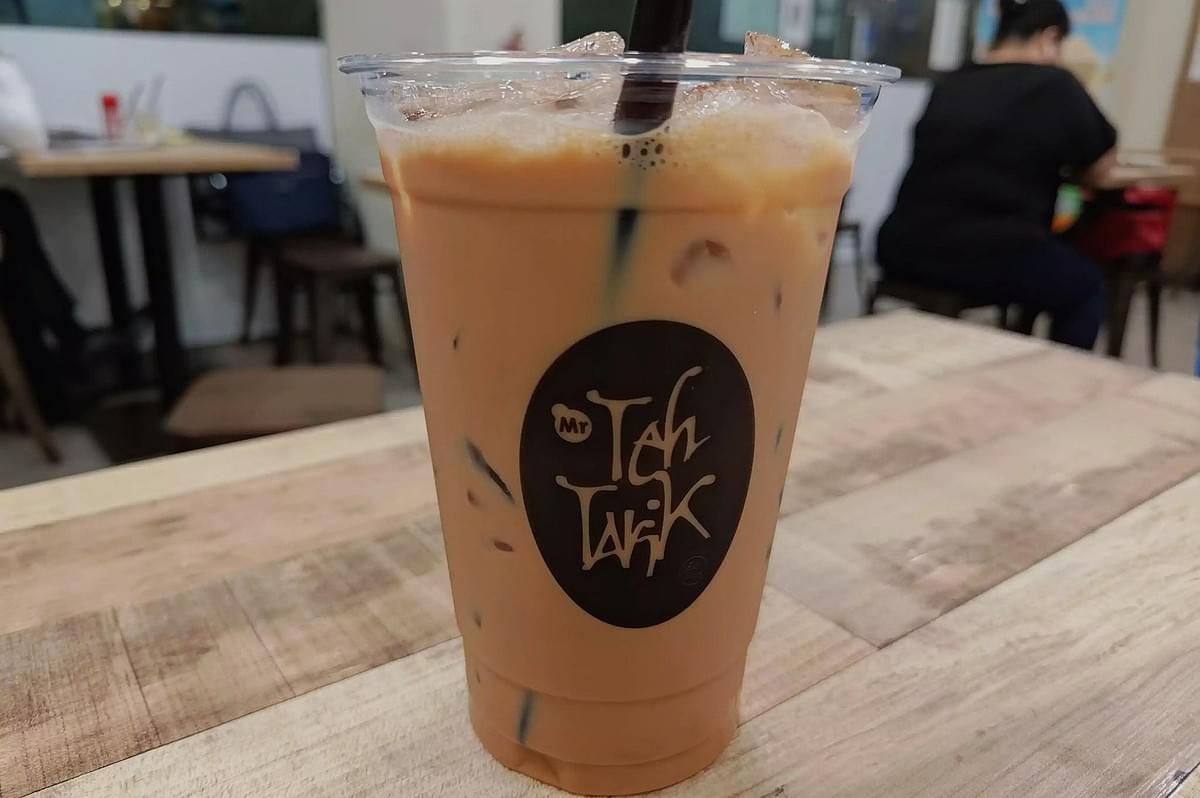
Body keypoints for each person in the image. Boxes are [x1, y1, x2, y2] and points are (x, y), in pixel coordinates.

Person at [876, 0, 1117, 349]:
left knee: (1042, 263)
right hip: (990, 255)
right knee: (1086, 286)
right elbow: (1101, 164)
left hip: (901, 246)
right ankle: (1061, 387)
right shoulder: (1055, 85)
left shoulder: (953, 81)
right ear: (1049, 38)